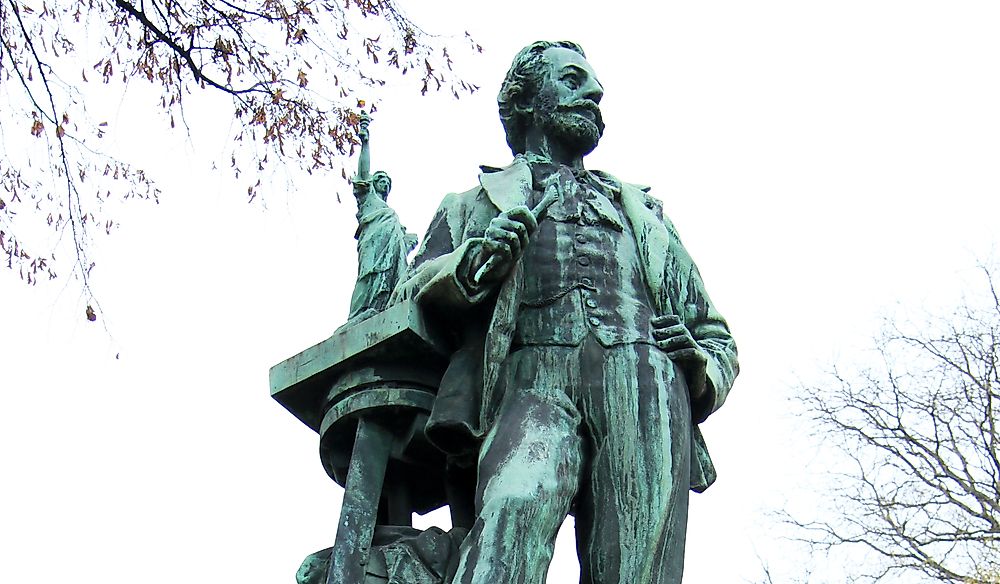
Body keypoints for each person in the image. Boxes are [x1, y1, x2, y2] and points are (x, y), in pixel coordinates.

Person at [391, 41, 739, 584]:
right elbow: (408, 290)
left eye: (594, 86)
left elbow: (716, 337)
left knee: (637, 568)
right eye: (573, 80)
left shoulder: (642, 214)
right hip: (532, 381)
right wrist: (476, 258)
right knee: (511, 514)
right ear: (527, 103)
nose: (595, 93)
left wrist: (696, 364)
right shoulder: (474, 203)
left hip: (644, 380)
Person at [342, 123, 418, 328]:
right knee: (367, 276)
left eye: (387, 181)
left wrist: (406, 242)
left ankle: (380, 308)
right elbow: (364, 171)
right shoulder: (368, 199)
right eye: (380, 179)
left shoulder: (391, 214)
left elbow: (400, 246)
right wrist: (365, 142)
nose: (384, 182)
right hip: (371, 246)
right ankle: (356, 315)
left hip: (390, 253)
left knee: (390, 278)